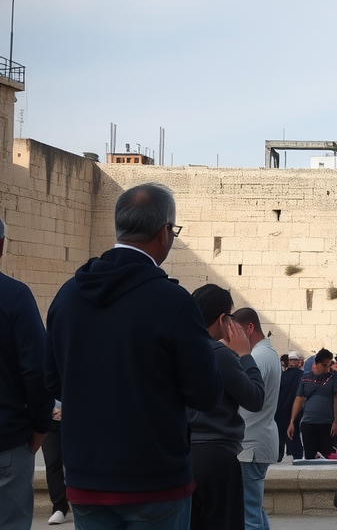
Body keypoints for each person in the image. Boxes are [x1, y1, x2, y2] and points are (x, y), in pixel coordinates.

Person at [45, 183, 222, 530]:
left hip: (85, 479)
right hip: (155, 479)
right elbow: (206, 393)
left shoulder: (67, 297)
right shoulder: (173, 301)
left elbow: (52, 380)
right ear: (164, 232)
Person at [188, 285, 266, 530]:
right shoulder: (219, 353)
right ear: (222, 319)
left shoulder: (175, 349)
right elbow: (255, 398)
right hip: (216, 455)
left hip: (181, 453)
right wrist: (244, 354)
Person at [0, 216, 54, 530]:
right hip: (7, 442)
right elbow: (36, 370)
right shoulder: (15, 296)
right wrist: (40, 426)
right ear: (2, 245)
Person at [233, 308, 281, 530]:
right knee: (253, 510)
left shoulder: (257, 357)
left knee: (248, 516)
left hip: (250, 444)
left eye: (236, 331)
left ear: (250, 328)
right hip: (258, 439)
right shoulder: (268, 354)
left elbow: (248, 397)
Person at [288, 348, 337, 459]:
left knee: (329, 455)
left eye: (329, 364)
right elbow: (299, 399)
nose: (327, 368)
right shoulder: (305, 378)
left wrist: (336, 421)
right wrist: (292, 421)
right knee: (310, 455)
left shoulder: (334, 377)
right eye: (324, 365)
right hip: (308, 422)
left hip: (327, 423)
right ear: (316, 364)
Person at [42, 402, 69, 525]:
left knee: (81, 461)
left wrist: (68, 410)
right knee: (52, 462)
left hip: (76, 419)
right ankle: (59, 507)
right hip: (50, 420)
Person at [276, 352, 303, 461]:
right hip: (285, 407)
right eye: (291, 360)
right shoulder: (285, 374)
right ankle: (290, 454)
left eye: (294, 360)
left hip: (288, 407)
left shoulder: (298, 375)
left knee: (290, 431)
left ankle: (291, 453)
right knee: (284, 432)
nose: (292, 362)